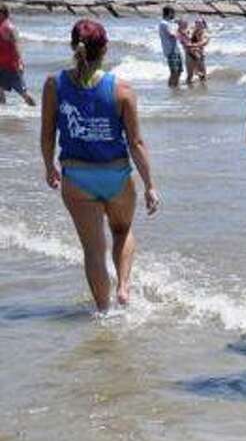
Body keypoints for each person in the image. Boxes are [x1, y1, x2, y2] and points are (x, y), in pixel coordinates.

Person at [40, 20, 159, 313]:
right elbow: (136, 143)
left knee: (93, 249)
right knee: (122, 230)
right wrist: (150, 185)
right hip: (116, 175)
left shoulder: (54, 84)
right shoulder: (121, 89)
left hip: (77, 177)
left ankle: (104, 311)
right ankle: (123, 288)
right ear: (105, 48)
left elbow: (47, 133)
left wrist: (48, 167)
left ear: (73, 47)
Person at [0, 4, 37, 107]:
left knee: (23, 93)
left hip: (10, 66)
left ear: (2, 14)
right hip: (3, 65)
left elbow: (16, 45)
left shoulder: (7, 27)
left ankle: (36, 110)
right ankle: (3, 113)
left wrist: (19, 62)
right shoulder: (4, 26)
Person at [158, 6, 182, 89]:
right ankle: (171, 89)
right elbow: (172, 34)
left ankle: (176, 87)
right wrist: (179, 32)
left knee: (179, 71)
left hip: (176, 49)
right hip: (170, 50)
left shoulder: (168, 23)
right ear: (169, 13)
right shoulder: (163, 23)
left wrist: (178, 25)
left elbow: (175, 28)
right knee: (174, 72)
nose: (174, 14)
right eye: (173, 13)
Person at [185, 17, 209, 85]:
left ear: (203, 25)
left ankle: (203, 91)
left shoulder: (205, 33)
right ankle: (189, 91)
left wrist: (193, 45)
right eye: (196, 22)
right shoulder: (191, 31)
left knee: (202, 75)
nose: (197, 24)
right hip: (189, 55)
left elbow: (204, 42)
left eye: (199, 23)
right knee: (190, 75)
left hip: (199, 56)